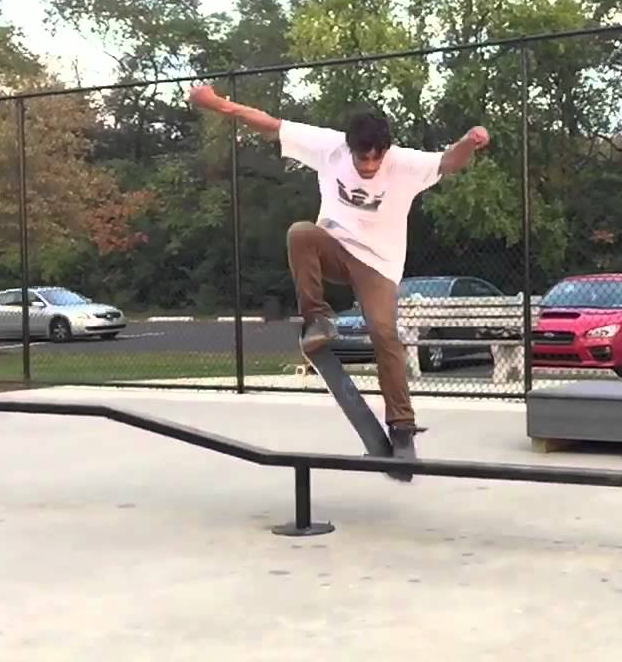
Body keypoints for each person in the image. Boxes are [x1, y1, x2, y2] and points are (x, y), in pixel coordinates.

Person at [187, 83, 490, 456]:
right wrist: (216, 103)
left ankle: (402, 427)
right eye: (363, 160)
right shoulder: (330, 147)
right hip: (335, 250)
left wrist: (469, 141)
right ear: (350, 148)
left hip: (379, 266)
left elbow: (448, 161)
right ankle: (317, 319)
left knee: (384, 334)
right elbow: (270, 125)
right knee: (300, 233)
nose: (369, 167)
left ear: (386, 151)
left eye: (376, 160)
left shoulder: (404, 163)